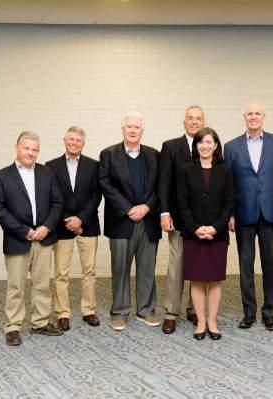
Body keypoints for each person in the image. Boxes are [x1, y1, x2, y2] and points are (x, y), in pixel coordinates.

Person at [0, 131, 64, 346]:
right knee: (16, 286)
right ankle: (13, 327)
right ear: (17, 148)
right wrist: (23, 230)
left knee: (42, 284)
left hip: (43, 238)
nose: (31, 153)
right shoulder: (1, 176)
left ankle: (40, 322)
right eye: (27, 148)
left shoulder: (47, 173)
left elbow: (57, 203)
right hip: (18, 239)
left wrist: (47, 227)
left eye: (35, 149)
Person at [224, 102, 273, 331]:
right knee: (246, 266)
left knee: (270, 266)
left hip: (271, 213)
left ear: (264, 116)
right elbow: (228, 184)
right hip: (243, 214)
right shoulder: (231, 147)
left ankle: (269, 313)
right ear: (244, 117)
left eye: (257, 113)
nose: (253, 117)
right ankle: (249, 312)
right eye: (249, 113)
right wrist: (230, 214)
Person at [99, 112, 161, 331]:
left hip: (148, 221)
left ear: (142, 131)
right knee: (120, 268)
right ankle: (120, 311)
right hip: (121, 221)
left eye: (137, 127)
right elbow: (106, 185)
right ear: (122, 129)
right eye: (129, 127)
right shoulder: (108, 154)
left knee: (147, 268)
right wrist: (128, 209)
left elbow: (160, 187)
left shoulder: (154, 155)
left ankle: (146, 309)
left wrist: (146, 207)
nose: (133, 130)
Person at [177, 127, 234, 340]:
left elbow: (229, 202)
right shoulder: (186, 170)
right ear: (196, 145)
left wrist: (216, 227)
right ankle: (201, 321)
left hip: (217, 234)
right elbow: (181, 203)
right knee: (198, 279)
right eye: (201, 142)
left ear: (216, 145)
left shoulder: (225, 170)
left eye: (209, 142)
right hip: (194, 234)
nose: (205, 146)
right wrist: (195, 228)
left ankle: (212, 320)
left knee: (215, 280)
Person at [46, 126, 102, 331]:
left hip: (88, 224)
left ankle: (89, 310)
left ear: (83, 144)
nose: (74, 143)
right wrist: (67, 220)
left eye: (78, 140)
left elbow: (96, 195)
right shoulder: (51, 166)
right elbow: (51, 197)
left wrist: (80, 219)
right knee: (61, 272)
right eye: (71, 139)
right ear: (64, 140)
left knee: (90, 271)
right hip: (62, 226)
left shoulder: (94, 165)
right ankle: (63, 313)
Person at [158, 105, 204, 333]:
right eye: (190, 118)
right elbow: (164, 182)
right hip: (177, 217)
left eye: (198, 119)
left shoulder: (210, 145)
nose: (194, 122)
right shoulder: (171, 147)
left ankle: (194, 309)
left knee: (198, 265)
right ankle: (171, 312)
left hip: (202, 219)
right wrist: (164, 212)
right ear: (183, 122)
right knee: (177, 265)